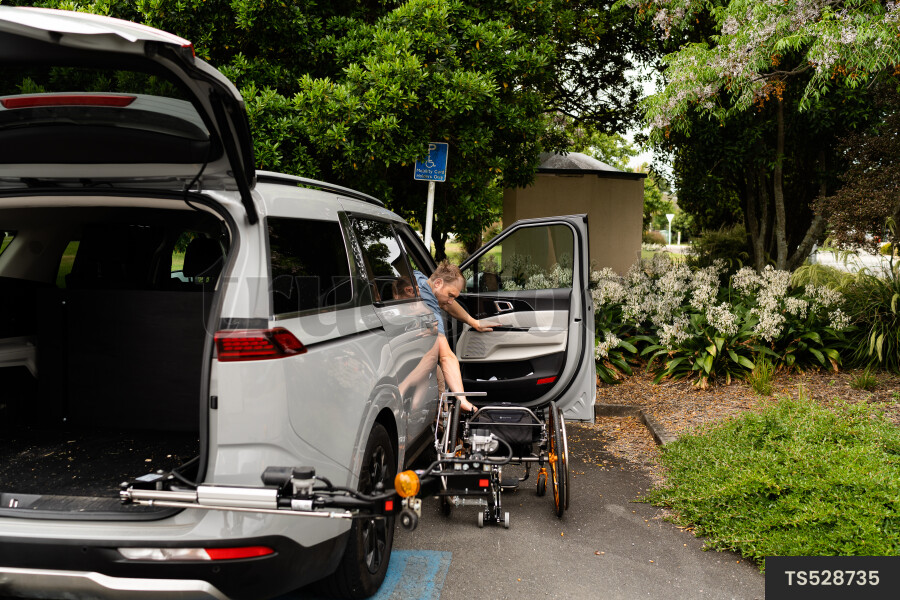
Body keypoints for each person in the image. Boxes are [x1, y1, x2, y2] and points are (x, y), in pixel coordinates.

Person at [413, 261, 495, 413]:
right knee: (437, 373)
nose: (451, 301)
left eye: (454, 297)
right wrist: (461, 398)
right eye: (450, 295)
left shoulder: (419, 278)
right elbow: (445, 357)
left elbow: (448, 304)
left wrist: (473, 322)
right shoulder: (430, 308)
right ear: (438, 283)